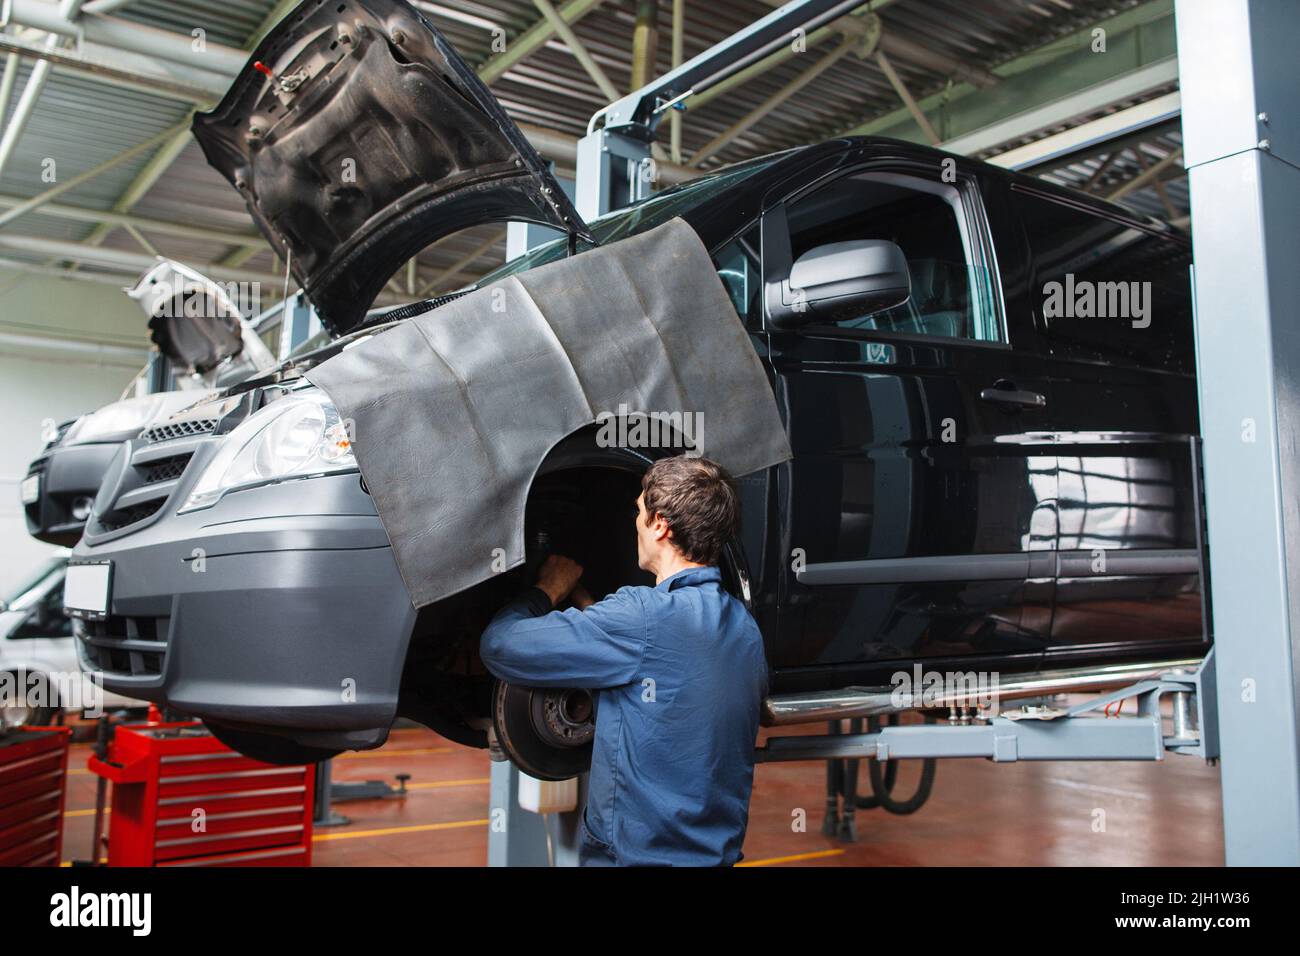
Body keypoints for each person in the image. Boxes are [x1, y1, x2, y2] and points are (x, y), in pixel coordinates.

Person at [480, 455, 769, 866]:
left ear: (660, 525)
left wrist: (546, 589)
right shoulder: (745, 630)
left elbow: (500, 645)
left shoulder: (640, 616)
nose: (634, 521)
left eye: (638, 511)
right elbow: (675, 694)